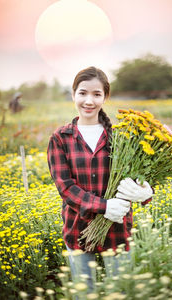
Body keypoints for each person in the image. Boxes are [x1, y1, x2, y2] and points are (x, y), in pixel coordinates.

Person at [47, 66, 153, 292]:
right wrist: (104, 206)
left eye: (97, 94)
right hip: (78, 229)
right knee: (85, 293)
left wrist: (146, 192)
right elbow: (65, 188)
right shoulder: (61, 138)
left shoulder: (122, 137)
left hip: (117, 230)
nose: (89, 100)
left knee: (121, 291)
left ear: (105, 97)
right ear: (74, 93)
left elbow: (135, 179)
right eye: (83, 93)